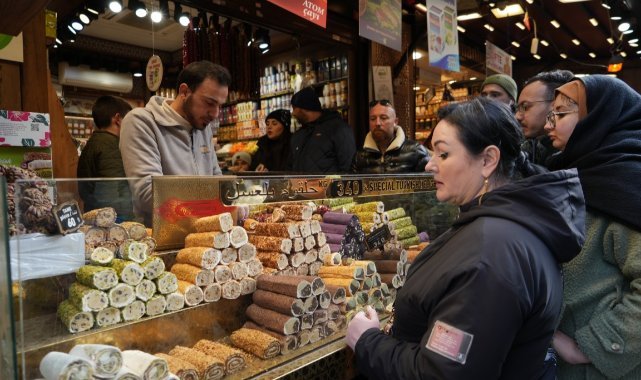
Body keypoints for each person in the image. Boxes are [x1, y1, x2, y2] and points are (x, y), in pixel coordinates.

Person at [346, 97, 586, 379]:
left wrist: (368, 341)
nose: (429, 165)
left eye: (443, 154)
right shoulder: (501, 225)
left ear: (487, 160)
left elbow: (442, 373)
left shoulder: (490, 254)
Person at [545, 75, 641, 379]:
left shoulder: (626, 183)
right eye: (550, 114)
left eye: (560, 114)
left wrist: (591, 346)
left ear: (599, 116)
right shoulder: (574, 174)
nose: (549, 124)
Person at [120, 61, 230, 225]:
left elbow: (216, 179)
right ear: (184, 91)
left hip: (204, 232)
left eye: (220, 106)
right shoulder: (141, 121)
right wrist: (211, 205)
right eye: (209, 103)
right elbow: (149, 194)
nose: (215, 114)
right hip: (161, 237)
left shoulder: (202, 126)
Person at [77, 95, 134, 221]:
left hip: (95, 215)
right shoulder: (111, 146)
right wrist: (129, 220)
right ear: (118, 119)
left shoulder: (93, 143)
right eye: (129, 121)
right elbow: (114, 196)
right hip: (111, 220)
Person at [289, 86, 356, 173]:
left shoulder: (338, 129)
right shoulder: (298, 135)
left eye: (294, 108)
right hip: (300, 186)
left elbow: (348, 167)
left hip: (331, 186)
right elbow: (290, 167)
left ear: (303, 108)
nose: (293, 113)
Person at [353, 99, 429, 173]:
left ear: (395, 122)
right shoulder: (359, 157)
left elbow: (429, 182)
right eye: (373, 119)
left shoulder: (416, 151)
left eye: (383, 118)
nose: (377, 123)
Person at [516, 70, 574, 167]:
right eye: (517, 108)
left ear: (557, 105)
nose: (517, 116)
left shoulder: (574, 159)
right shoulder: (527, 149)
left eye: (525, 107)